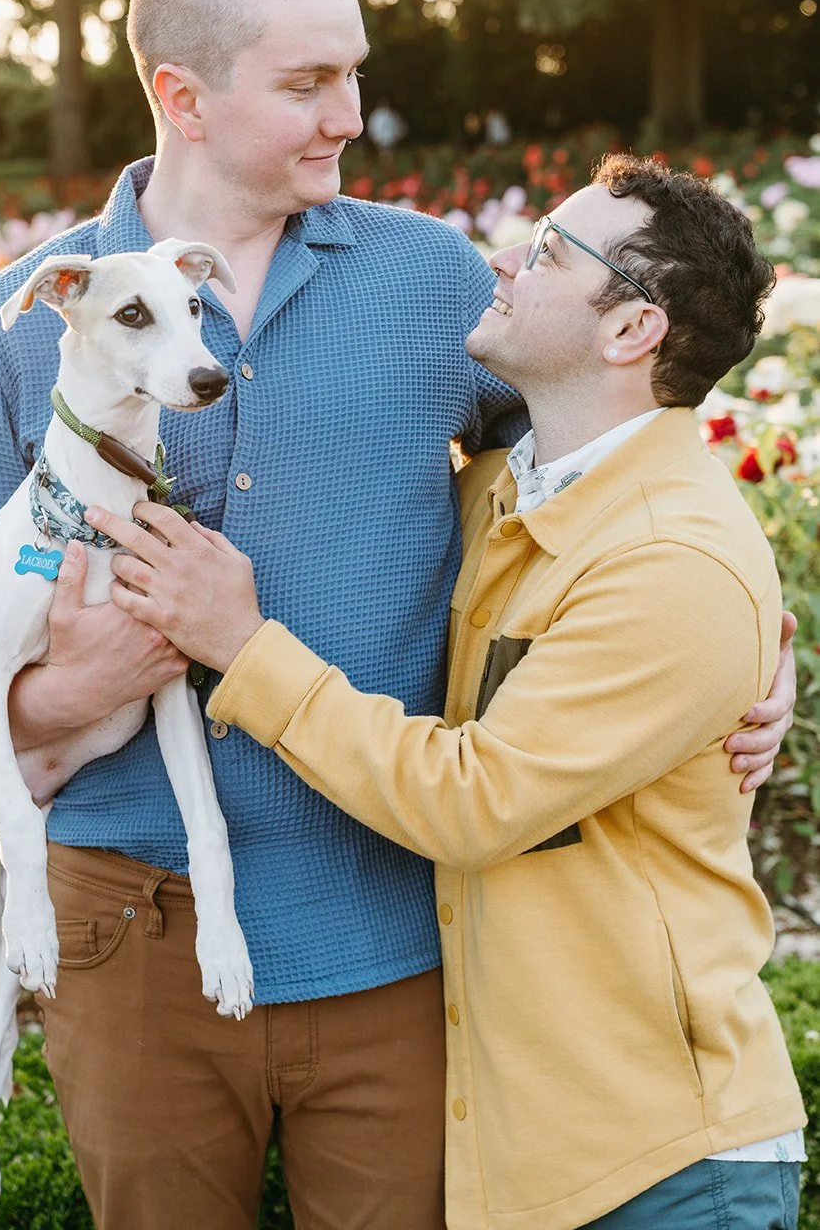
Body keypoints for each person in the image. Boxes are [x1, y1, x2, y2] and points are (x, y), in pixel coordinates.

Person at [0, 0, 794, 1230]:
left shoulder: (437, 280)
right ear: (180, 97)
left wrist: (756, 641)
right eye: (307, 84)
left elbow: (605, 468)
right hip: (126, 938)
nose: (350, 116)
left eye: (354, 75)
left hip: (391, 927)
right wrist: (71, 688)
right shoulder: (7, 324)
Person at [97, 156, 807, 1230]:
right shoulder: (504, 495)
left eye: (549, 253)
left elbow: (473, 802)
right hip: (541, 1154)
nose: (503, 264)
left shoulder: (672, 563)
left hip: (659, 1165)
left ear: (631, 332)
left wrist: (240, 646)